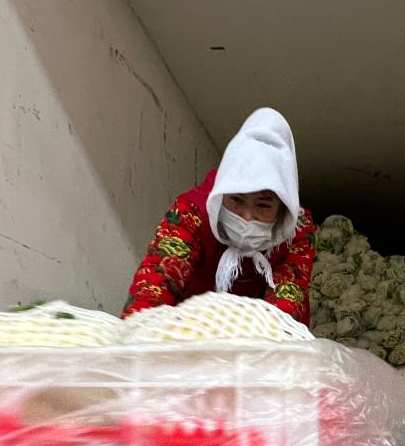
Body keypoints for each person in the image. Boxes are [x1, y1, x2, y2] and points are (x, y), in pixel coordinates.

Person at [122, 107, 316, 323]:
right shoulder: (190, 214)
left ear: (282, 207)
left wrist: (257, 339)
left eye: (263, 206)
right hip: (191, 324)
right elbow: (156, 282)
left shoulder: (296, 229)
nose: (247, 217)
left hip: (262, 329)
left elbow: (286, 304)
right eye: (237, 200)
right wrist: (136, 330)